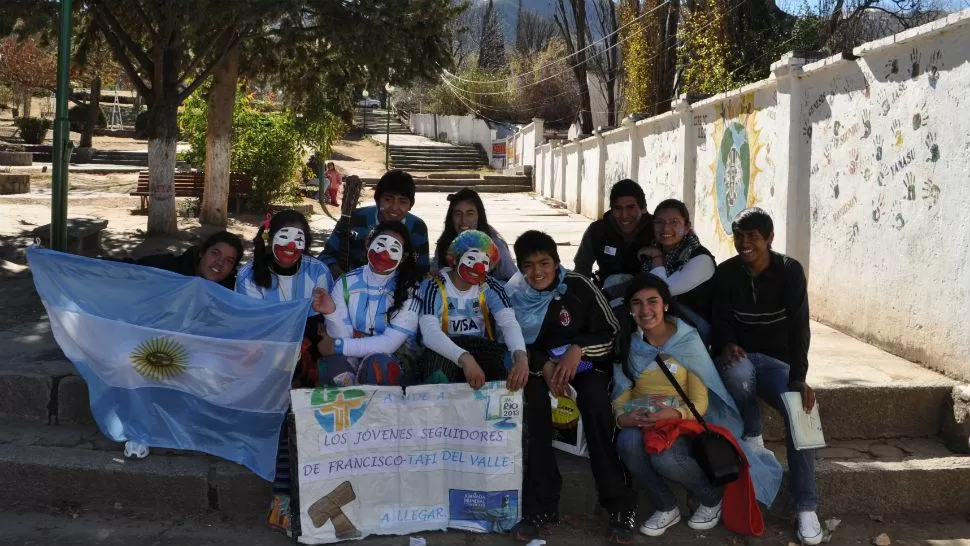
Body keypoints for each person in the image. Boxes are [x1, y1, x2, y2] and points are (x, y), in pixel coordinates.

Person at [612, 273, 782, 538]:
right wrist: (625, 419)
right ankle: (666, 505)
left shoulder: (687, 340)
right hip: (642, 417)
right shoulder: (626, 342)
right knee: (627, 443)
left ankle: (711, 498)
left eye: (653, 301)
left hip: (681, 422)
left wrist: (674, 413)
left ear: (666, 304)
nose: (645, 310)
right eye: (637, 303)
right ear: (630, 308)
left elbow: (700, 401)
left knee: (665, 455)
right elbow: (621, 395)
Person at [504, 230, 638, 544]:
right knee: (534, 405)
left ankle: (619, 503)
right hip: (542, 370)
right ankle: (542, 506)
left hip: (587, 366)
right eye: (529, 265)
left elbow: (611, 332)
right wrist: (543, 364)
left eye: (544, 263)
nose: (537, 272)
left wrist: (578, 350)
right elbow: (511, 342)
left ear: (556, 261)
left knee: (594, 401)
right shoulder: (516, 295)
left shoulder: (579, 286)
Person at [712, 207, 822, 545]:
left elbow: (799, 326)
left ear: (769, 239)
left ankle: (806, 506)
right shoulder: (727, 272)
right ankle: (752, 431)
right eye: (740, 237)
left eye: (753, 237)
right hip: (742, 358)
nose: (745, 244)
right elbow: (720, 317)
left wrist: (799, 378)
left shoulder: (789, 271)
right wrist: (727, 343)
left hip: (778, 363)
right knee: (740, 373)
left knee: (803, 414)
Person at [235, 209, 334, 535]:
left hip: (309, 356)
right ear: (270, 237)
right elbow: (252, 330)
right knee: (286, 404)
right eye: (285, 237)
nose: (292, 246)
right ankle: (282, 498)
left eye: (300, 239)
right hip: (266, 356)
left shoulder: (317, 271)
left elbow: (324, 323)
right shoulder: (249, 276)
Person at [410, 230, 529, 391]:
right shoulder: (434, 286)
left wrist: (521, 356)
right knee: (437, 373)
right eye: (471, 258)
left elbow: (508, 322)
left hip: (479, 346)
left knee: (509, 364)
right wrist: (465, 358)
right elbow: (430, 333)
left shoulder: (490, 286)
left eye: (484, 262)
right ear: (456, 258)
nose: (478, 266)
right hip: (443, 349)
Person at [311, 222, 422, 386]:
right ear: (367, 244)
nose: (385, 253)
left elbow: (389, 343)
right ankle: (345, 411)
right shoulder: (345, 283)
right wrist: (331, 313)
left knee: (378, 368)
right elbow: (342, 335)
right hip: (352, 353)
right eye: (381, 244)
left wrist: (339, 346)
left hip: (394, 358)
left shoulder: (410, 289)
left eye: (394, 249)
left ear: (403, 256)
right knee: (334, 369)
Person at [318, 169, 430, 277]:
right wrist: (333, 267)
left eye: (403, 201)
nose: (395, 207)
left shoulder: (417, 228)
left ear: (411, 205)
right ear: (377, 199)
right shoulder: (355, 218)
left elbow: (422, 270)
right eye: (388, 200)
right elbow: (326, 255)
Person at [637, 199, 716, 344]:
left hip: (696, 326)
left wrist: (656, 257)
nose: (666, 229)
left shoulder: (700, 258)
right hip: (668, 316)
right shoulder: (656, 248)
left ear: (687, 227)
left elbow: (661, 291)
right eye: (659, 222)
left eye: (674, 222)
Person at [573, 179, 654, 302]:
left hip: (650, 297)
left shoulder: (656, 228)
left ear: (643, 208)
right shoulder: (598, 230)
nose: (624, 215)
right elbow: (581, 268)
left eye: (630, 207)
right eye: (618, 208)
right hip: (608, 297)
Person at [433, 188, 517, 281]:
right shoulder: (444, 244)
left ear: (479, 215)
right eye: (458, 214)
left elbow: (515, 283)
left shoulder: (495, 247)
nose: (463, 220)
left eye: (470, 213)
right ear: (451, 217)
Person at [128, 230, 243, 289]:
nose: (220, 262)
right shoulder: (167, 268)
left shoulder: (232, 295)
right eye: (215, 253)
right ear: (202, 253)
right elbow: (127, 270)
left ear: (232, 269)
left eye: (229, 261)